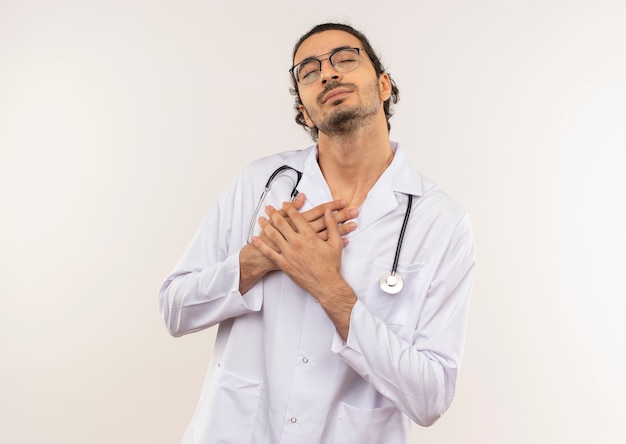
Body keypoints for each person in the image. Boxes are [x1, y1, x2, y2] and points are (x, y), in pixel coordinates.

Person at [159, 22, 475, 444]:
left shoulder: (440, 221)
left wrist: (329, 287)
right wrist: (259, 259)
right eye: (308, 71)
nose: (326, 73)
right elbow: (174, 309)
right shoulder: (260, 185)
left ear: (384, 86)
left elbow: (430, 398)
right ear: (305, 111)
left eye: (345, 59)